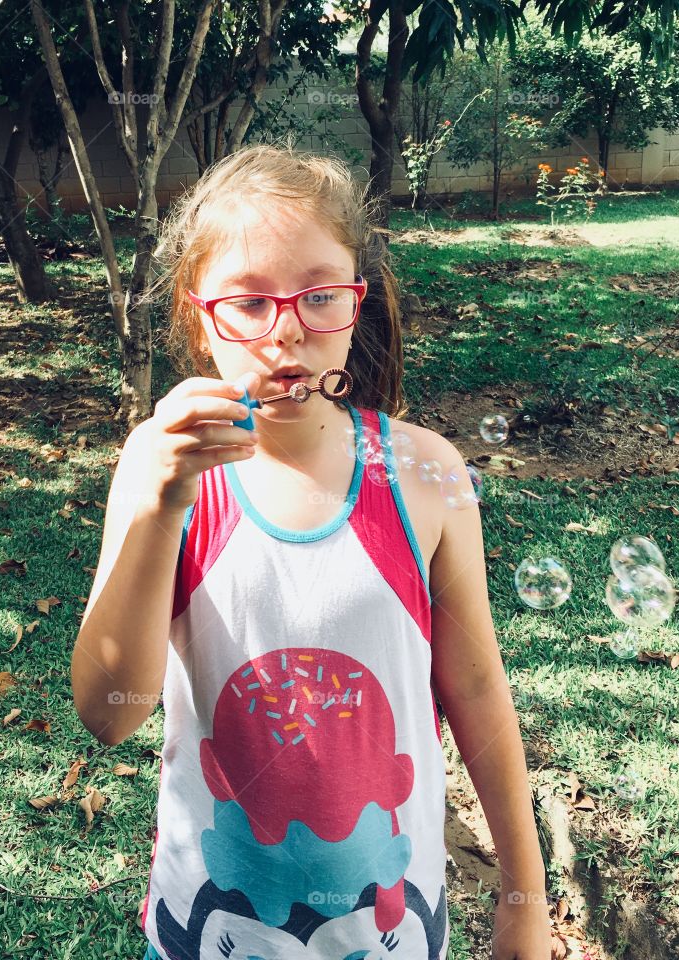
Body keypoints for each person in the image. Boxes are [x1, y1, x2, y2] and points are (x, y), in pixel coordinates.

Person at [71, 143, 556, 960]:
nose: (286, 332)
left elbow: (474, 685)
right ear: (198, 316)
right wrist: (160, 505)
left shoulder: (426, 474)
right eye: (249, 304)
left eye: (319, 295)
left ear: (355, 305)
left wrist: (525, 897)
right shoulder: (159, 470)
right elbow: (108, 713)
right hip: (212, 928)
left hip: (392, 933)